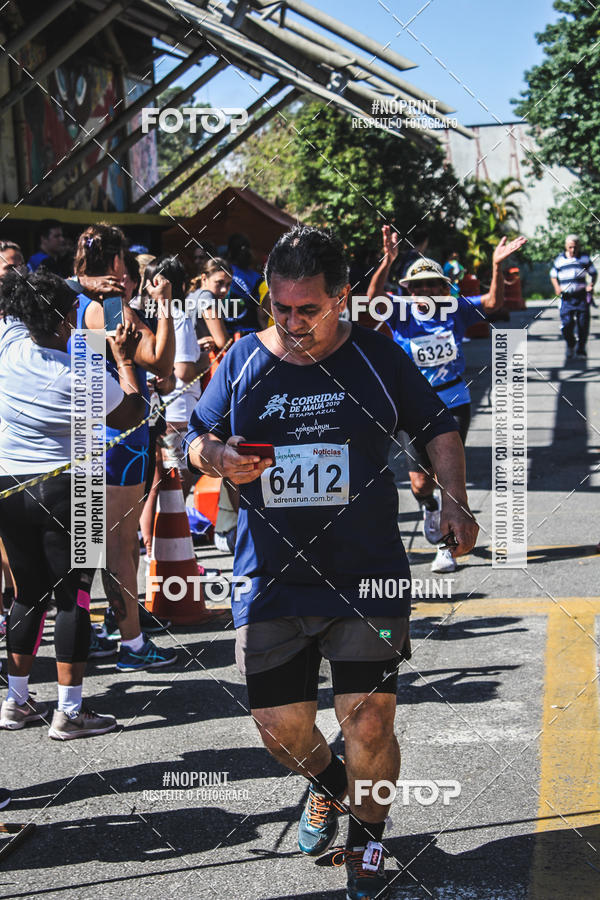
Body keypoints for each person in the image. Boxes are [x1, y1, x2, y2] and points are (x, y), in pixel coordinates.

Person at [185, 225, 479, 899]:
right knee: (280, 730)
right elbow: (195, 440)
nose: (292, 323)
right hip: (270, 580)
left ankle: (369, 844)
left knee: (369, 719)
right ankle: (329, 784)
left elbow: (437, 424)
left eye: (307, 309)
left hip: (365, 574)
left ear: (342, 298)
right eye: (280, 308)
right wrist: (218, 459)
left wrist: (456, 502)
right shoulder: (241, 361)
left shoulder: (377, 357)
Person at [0, 270, 144, 738]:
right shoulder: (81, 371)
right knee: (74, 598)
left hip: (9, 485)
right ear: (65, 320)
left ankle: (16, 702)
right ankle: (69, 711)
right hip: (70, 488)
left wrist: (78, 283)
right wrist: (121, 360)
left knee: (26, 594)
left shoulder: (8, 343)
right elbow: (131, 414)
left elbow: (21, 289)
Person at [368, 225, 527, 573]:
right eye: (417, 285)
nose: (425, 290)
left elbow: (493, 303)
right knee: (421, 482)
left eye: (432, 285)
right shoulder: (400, 312)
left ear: (443, 288)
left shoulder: (454, 308)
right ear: (407, 290)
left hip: (453, 401)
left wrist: (497, 266)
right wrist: (388, 260)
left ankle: (447, 548)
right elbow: (372, 297)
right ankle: (428, 505)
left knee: (447, 477)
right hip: (409, 408)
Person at [72, 224, 178, 671]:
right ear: (117, 263)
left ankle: (89, 633)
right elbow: (160, 360)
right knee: (121, 545)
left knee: (86, 545)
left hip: (80, 430)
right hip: (121, 433)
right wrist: (165, 307)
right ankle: (131, 644)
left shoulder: (63, 300)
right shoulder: (111, 307)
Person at [550, 234, 597, 359]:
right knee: (567, 324)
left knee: (583, 324)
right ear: (566, 247)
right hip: (566, 298)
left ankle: (581, 349)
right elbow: (553, 275)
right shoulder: (560, 260)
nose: (573, 250)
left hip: (581, 296)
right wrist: (556, 287)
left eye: (575, 247)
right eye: (570, 247)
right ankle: (571, 344)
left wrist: (591, 285)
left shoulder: (584, 259)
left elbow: (593, 273)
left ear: (579, 247)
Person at [226, 233, 262, 334]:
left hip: (229, 331)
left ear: (230, 252)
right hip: (251, 332)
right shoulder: (257, 278)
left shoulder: (222, 273)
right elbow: (262, 312)